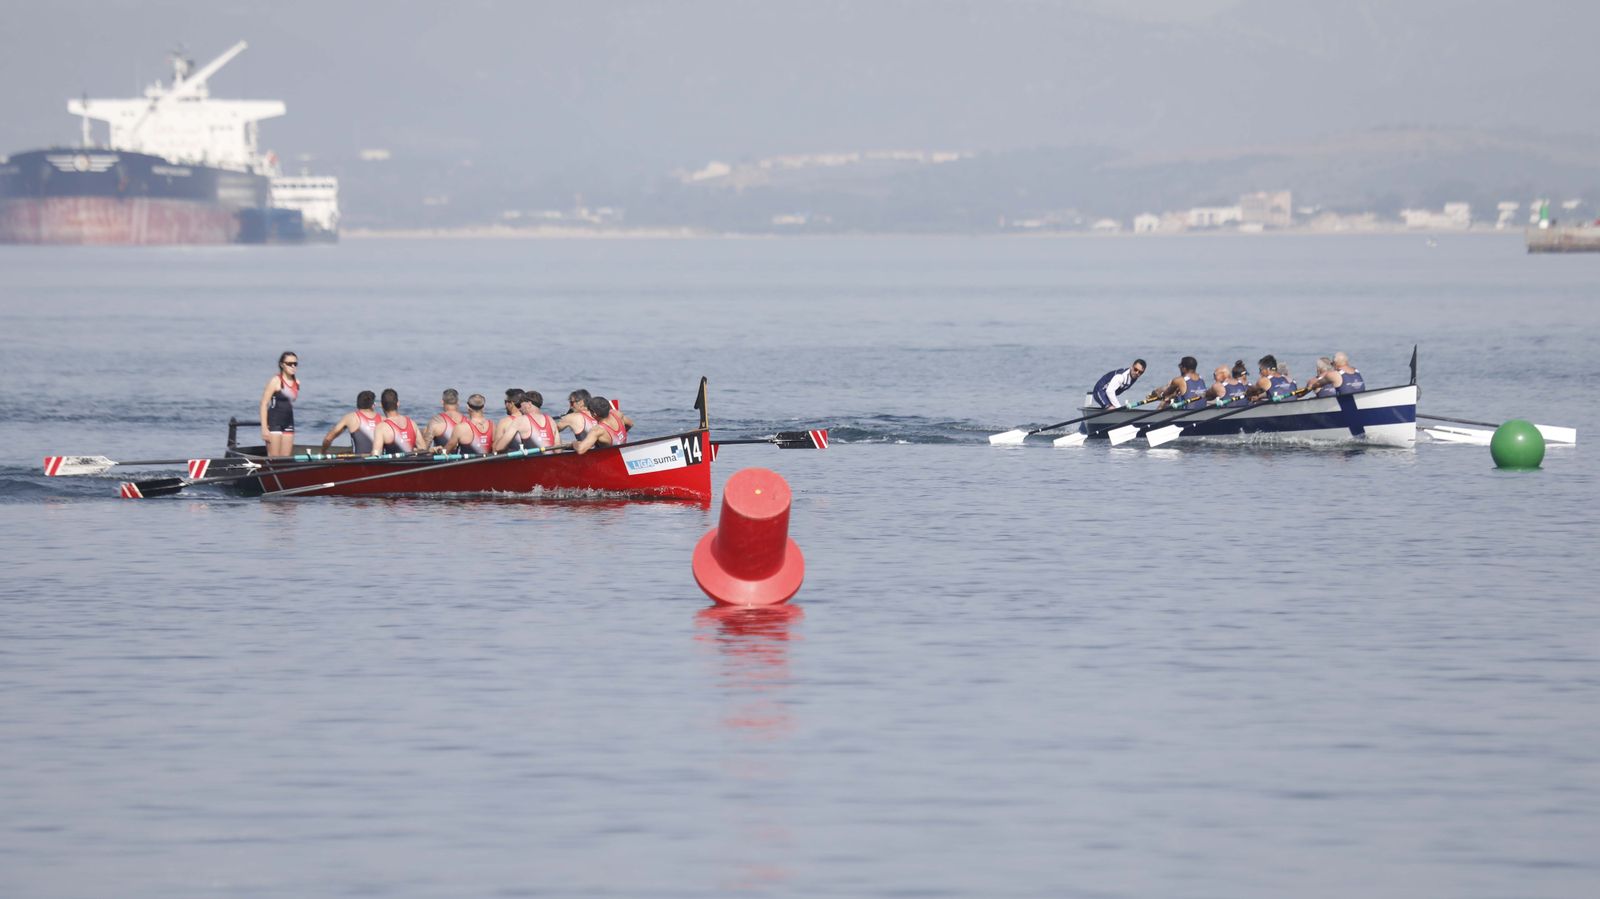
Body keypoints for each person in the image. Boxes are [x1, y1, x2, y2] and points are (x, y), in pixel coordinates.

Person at [258, 351, 300, 457]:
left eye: (295, 364)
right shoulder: (275, 381)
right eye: (289, 364)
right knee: (274, 458)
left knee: (285, 458)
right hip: (274, 422)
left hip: (289, 422)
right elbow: (263, 404)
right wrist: (264, 428)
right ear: (282, 365)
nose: (293, 366)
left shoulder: (297, 382)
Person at [321, 390, 381, 454]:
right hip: (381, 458)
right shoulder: (383, 419)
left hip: (359, 459)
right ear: (373, 405)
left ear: (357, 404)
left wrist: (323, 452)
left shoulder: (350, 418)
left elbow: (328, 438)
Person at [374, 388, 421, 454]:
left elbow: (376, 455)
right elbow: (423, 449)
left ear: (381, 405)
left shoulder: (381, 428)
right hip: (412, 460)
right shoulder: (412, 423)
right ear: (398, 403)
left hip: (392, 461)